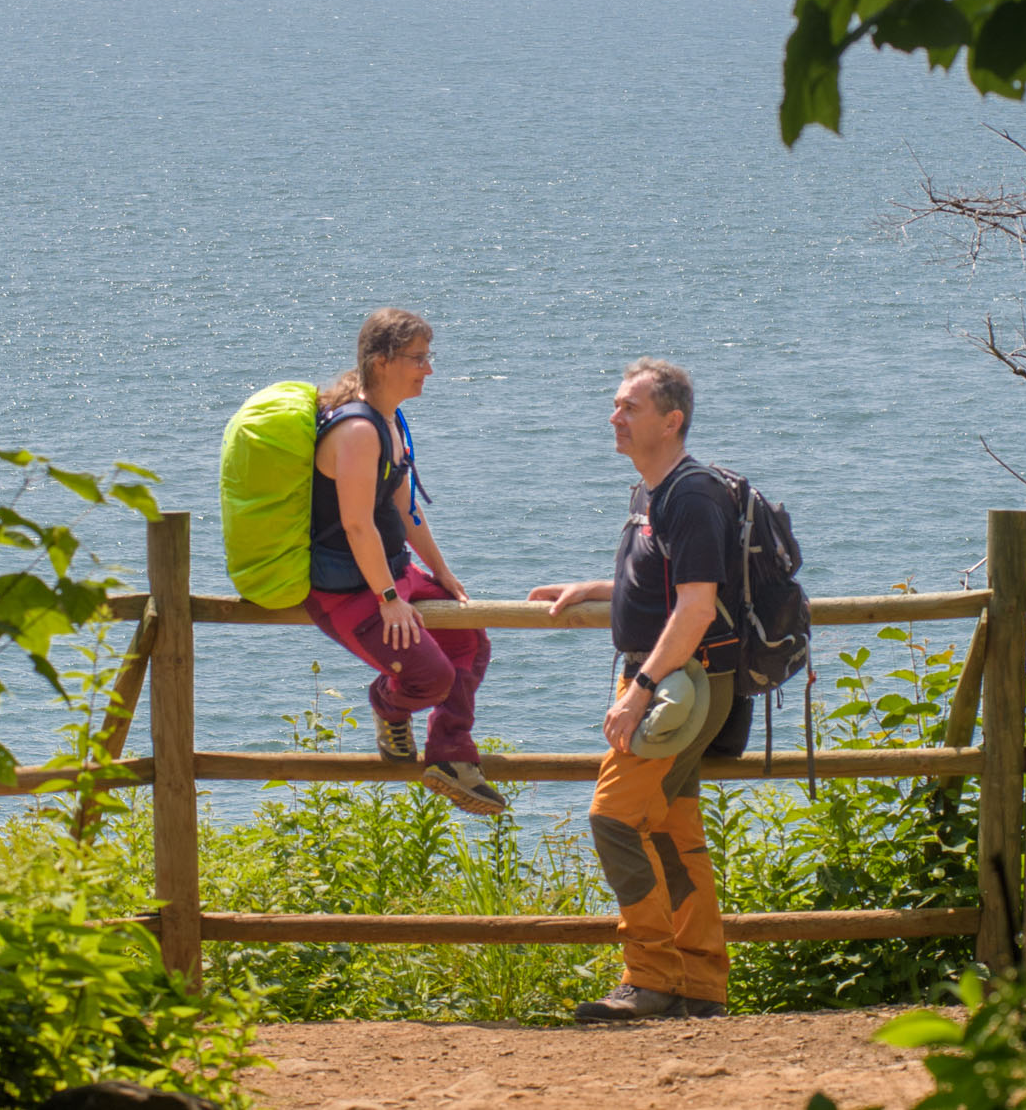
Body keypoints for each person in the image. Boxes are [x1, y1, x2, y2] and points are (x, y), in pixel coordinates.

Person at [529, 357, 750, 1021]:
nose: (615, 415)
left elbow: (697, 607)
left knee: (614, 819)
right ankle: (701, 983)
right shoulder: (653, 491)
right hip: (668, 677)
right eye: (616, 403)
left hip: (681, 683)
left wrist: (638, 689)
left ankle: (651, 977)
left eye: (630, 406)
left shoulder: (691, 494)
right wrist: (595, 590)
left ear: (671, 419)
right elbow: (665, 585)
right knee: (672, 830)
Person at [305, 308, 506, 816]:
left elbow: (404, 509)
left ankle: (450, 756)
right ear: (381, 361)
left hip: (391, 575)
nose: (428, 370)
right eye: (418, 358)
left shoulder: (390, 421)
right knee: (432, 678)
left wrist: (441, 572)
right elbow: (356, 524)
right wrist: (389, 599)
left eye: (427, 357)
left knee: (472, 641)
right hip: (349, 592)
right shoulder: (357, 431)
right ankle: (386, 705)